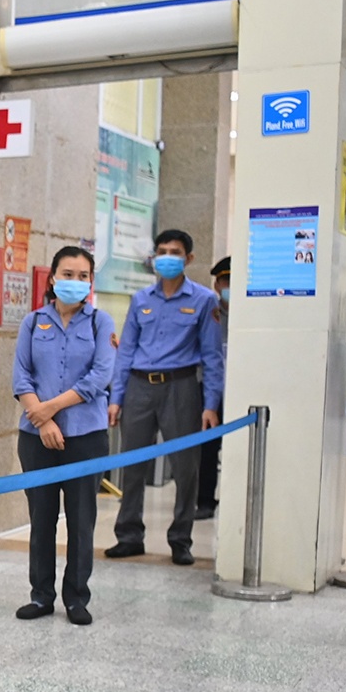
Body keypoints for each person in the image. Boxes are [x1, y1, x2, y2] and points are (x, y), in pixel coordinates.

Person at [105, 229, 226, 565]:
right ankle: (129, 535)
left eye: (175, 252)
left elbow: (213, 357)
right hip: (139, 388)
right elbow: (126, 350)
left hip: (181, 388)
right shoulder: (141, 299)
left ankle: (181, 539)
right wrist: (117, 398)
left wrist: (211, 405)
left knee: (186, 468)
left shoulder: (203, 301)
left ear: (188, 259)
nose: (167, 258)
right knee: (132, 465)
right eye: (162, 251)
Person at [12, 248, 116, 625]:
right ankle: (41, 596)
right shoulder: (32, 322)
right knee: (41, 518)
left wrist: (49, 409)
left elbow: (99, 377)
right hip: (36, 436)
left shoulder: (100, 323)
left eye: (83, 275)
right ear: (53, 278)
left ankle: (77, 597)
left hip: (86, 435)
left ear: (90, 281)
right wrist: (41, 421)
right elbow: (21, 376)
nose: (76, 281)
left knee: (80, 518)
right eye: (68, 273)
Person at [195, 256, 232, 519]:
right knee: (207, 448)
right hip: (211, 388)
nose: (230, 286)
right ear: (217, 284)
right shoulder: (208, 311)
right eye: (226, 280)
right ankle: (205, 500)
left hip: (243, 389)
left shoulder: (254, 314)